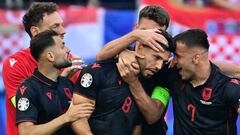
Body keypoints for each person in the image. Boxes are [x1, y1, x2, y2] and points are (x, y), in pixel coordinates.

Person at [106, 29, 240, 135]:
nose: (173, 61)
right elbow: (102, 56)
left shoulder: (227, 87)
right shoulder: (172, 74)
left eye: (178, 56)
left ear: (196, 58)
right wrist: (124, 52)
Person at [71, 29, 174, 135]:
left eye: (164, 61)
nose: (159, 66)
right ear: (139, 48)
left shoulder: (157, 79)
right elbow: (78, 118)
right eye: (156, 57)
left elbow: (143, 121)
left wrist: (133, 82)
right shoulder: (97, 71)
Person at [2, 2, 81, 135]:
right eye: (55, 26)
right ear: (35, 31)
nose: (63, 30)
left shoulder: (69, 60)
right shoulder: (15, 64)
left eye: (61, 24)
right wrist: (61, 81)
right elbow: (30, 111)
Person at [96, 5, 173, 135]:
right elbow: (100, 56)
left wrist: (133, 82)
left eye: (156, 34)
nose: (147, 38)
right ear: (136, 28)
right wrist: (132, 40)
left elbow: (153, 115)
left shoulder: (164, 69)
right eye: (144, 32)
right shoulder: (120, 51)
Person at [15, 30, 93, 135]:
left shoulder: (67, 83)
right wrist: (66, 117)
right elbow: (26, 132)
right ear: (50, 56)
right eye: (62, 46)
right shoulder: (28, 89)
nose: (68, 50)